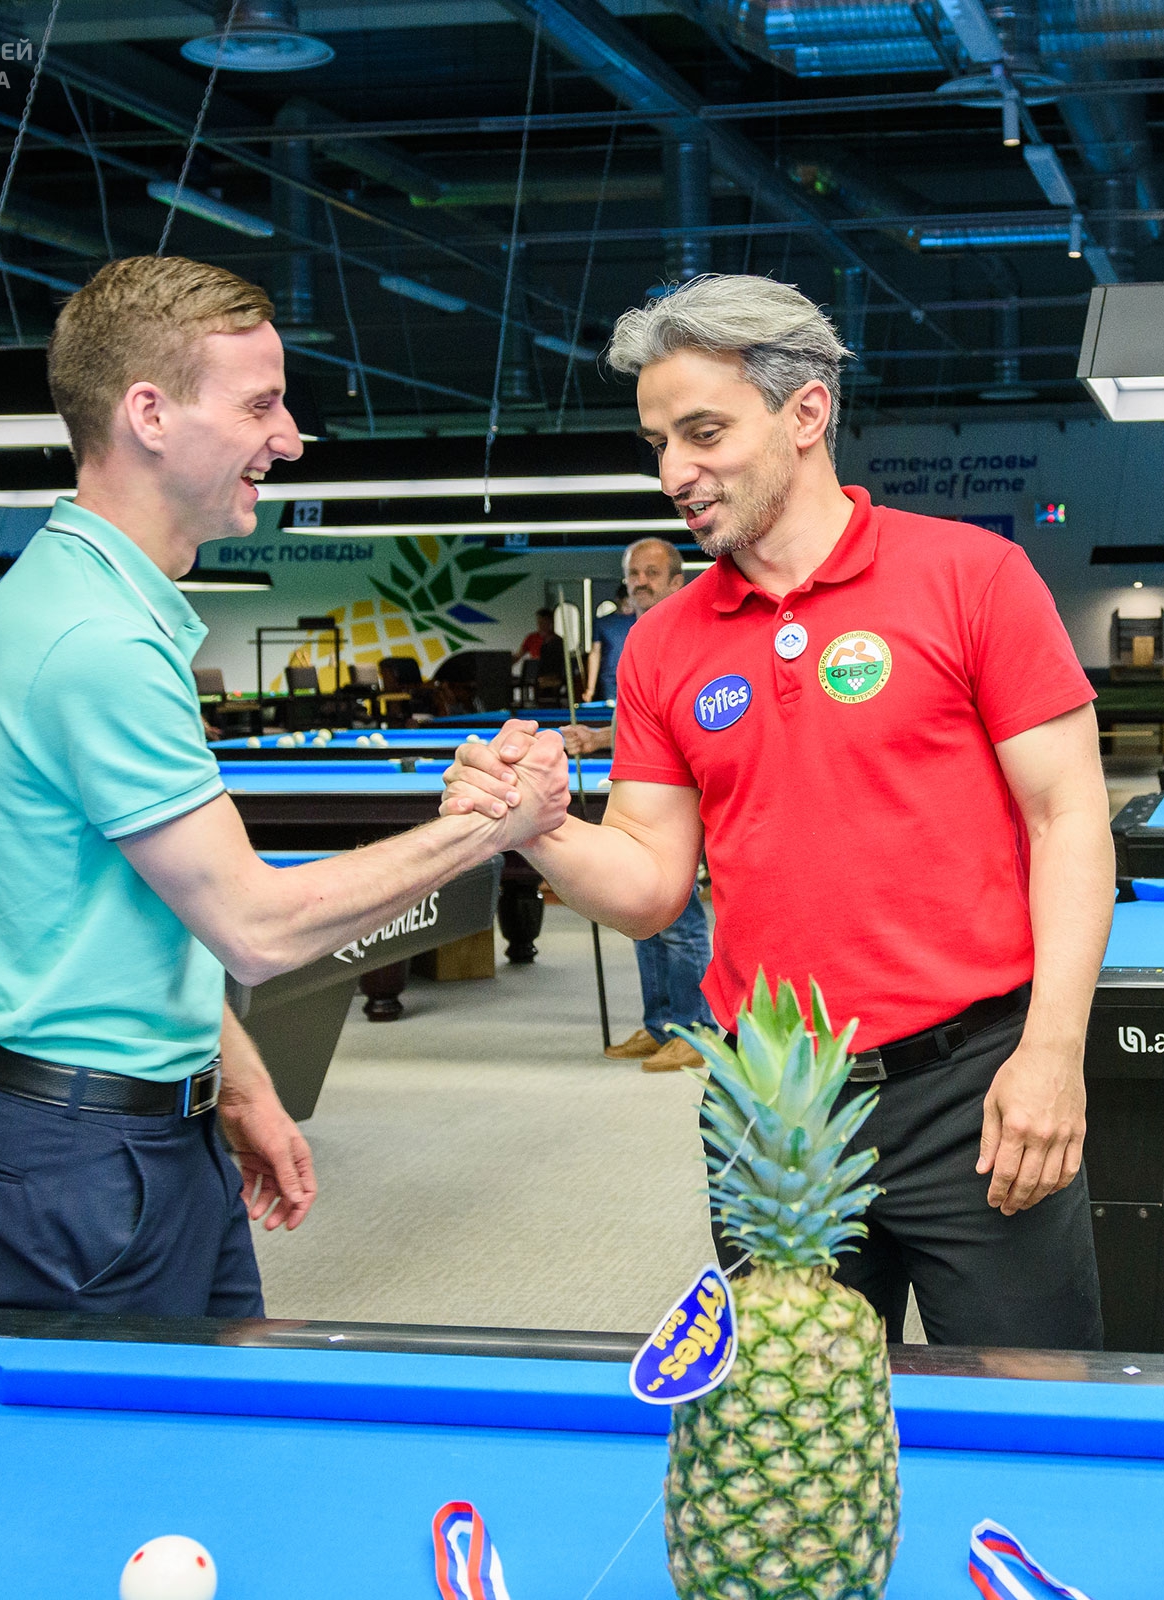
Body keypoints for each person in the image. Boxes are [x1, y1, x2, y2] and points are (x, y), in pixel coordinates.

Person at [442, 274, 1115, 1350]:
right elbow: (652, 883)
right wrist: (542, 826)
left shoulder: (974, 576)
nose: (674, 471)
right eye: (658, 442)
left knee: (1026, 1405)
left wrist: (1053, 1051)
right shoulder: (663, 643)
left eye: (703, 433)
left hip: (976, 1085)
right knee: (794, 1417)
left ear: (806, 414)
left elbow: (1068, 821)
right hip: (769, 1103)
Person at [0, 255, 569, 1317]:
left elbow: (141, 911)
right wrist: (491, 823)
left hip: (143, 1135)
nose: (291, 437)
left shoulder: (94, 601)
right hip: (75, 1167)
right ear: (149, 415)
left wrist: (237, 1079)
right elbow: (256, 927)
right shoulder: (95, 637)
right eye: (260, 405)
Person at [563, 539, 716, 1072]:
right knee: (643, 913)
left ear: (676, 580)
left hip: (680, 794)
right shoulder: (637, 639)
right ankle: (661, 1026)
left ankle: (696, 1030)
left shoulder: (693, 635)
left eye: (652, 572)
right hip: (639, 788)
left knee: (679, 915)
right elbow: (645, 723)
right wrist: (598, 738)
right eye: (633, 573)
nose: (641, 581)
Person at [584, 583, 633, 704]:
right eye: (625, 602)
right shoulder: (602, 623)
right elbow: (595, 654)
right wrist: (590, 689)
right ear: (617, 600)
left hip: (636, 679)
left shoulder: (642, 620)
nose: (628, 607)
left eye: (631, 602)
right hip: (610, 679)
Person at [513, 608, 558, 705]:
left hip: (551, 673)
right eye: (539, 622)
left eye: (544, 622)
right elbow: (518, 655)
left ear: (550, 622)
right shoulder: (531, 638)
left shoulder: (557, 640)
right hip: (534, 673)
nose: (541, 625)